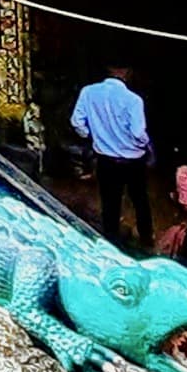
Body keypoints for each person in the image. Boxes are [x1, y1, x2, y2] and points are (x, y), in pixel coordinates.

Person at [70, 62, 153, 247]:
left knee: (110, 203)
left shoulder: (88, 92)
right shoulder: (133, 100)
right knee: (140, 200)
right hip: (133, 160)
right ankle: (146, 240)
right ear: (126, 72)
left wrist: (92, 136)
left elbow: (77, 121)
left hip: (106, 159)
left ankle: (112, 243)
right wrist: (145, 144)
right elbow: (139, 133)